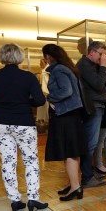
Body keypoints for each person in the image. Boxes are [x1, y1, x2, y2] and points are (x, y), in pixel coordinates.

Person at [0, 44, 48, 211]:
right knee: (30, 160)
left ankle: (15, 200)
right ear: (20, 57)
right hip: (23, 122)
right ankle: (33, 198)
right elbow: (40, 101)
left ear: (2, 57)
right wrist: (23, 101)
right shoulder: (28, 77)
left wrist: (1, 102)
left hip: (0, 123)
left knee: (8, 161)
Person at [42, 44, 88, 201]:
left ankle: (76, 187)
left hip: (65, 116)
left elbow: (66, 91)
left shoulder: (58, 70)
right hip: (71, 116)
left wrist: (50, 98)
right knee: (73, 152)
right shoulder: (66, 68)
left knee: (69, 152)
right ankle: (74, 184)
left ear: (48, 56)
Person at [76, 40, 106, 186]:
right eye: (101, 54)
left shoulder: (90, 65)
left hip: (96, 106)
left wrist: (103, 67)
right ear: (91, 52)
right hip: (92, 107)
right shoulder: (84, 65)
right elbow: (98, 85)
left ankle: (89, 173)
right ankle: (87, 178)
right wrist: (103, 67)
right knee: (90, 143)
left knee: (92, 143)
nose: (103, 58)